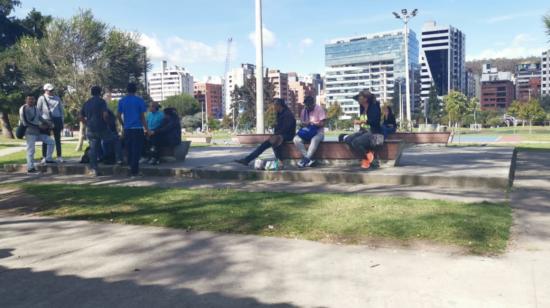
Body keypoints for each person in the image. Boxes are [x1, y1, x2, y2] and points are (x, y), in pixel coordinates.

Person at [235, 99, 296, 166]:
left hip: (288, 135)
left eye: (275, 105)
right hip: (280, 135)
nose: (274, 107)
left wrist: (278, 135)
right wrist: (276, 135)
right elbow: (278, 127)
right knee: (266, 144)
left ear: (279, 105)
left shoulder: (287, 114)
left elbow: (287, 128)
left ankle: (280, 161)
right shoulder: (279, 113)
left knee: (272, 142)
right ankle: (247, 160)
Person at [340, 89, 382, 169]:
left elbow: (375, 121)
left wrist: (362, 121)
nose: (358, 100)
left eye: (360, 98)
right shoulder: (362, 108)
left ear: (365, 99)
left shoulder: (374, 107)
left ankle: (366, 159)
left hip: (374, 133)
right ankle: (368, 154)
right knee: (348, 139)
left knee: (356, 142)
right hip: (363, 131)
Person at [117, 83, 149, 177]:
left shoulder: (122, 101)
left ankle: (130, 168)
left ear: (127, 90)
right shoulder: (139, 101)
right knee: (137, 150)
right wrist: (147, 129)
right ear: (135, 90)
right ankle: (134, 171)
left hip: (127, 129)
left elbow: (118, 115)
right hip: (137, 128)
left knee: (129, 149)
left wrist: (123, 125)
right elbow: (142, 117)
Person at [19, 96, 56, 174]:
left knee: (51, 141)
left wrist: (48, 123)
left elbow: (40, 118)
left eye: (32, 99)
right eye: (29, 99)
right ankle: (30, 168)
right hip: (29, 133)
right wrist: (39, 126)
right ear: (26, 100)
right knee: (31, 151)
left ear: (35, 100)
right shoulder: (23, 109)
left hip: (38, 132)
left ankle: (48, 158)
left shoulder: (36, 109)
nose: (31, 101)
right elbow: (26, 122)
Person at [80, 86, 109, 176]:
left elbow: (80, 116)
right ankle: (116, 159)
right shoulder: (102, 102)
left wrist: (87, 123)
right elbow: (105, 114)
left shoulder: (87, 103)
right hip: (101, 127)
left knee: (93, 148)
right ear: (100, 92)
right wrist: (107, 123)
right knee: (114, 140)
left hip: (91, 128)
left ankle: (93, 169)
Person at [293, 96, 326, 168]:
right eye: (306, 105)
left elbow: (323, 124)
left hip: (318, 132)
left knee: (314, 140)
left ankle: (306, 159)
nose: (307, 107)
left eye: (308, 105)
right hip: (307, 132)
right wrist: (303, 124)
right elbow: (302, 123)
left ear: (313, 104)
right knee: (296, 139)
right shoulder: (304, 110)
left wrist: (312, 123)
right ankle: (308, 160)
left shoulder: (319, 109)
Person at [37, 83, 65, 163]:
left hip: (57, 120)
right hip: (45, 120)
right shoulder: (41, 98)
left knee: (57, 139)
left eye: (52, 90)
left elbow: (61, 111)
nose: (51, 91)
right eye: (50, 90)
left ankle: (59, 156)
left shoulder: (57, 98)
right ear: (45, 90)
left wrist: (62, 121)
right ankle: (44, 156)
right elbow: (38, 111)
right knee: (45, 139)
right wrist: (40, 122)